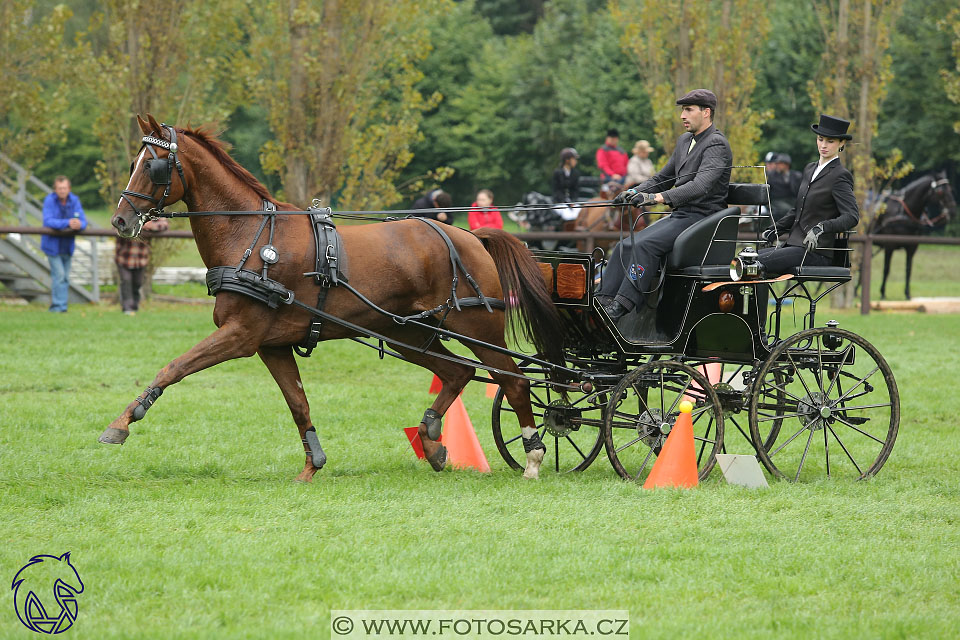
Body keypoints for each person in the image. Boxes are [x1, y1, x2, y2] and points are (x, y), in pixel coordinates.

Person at [598, 89, 733, 320]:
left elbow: (700, 186)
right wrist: (632, 192)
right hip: (681, 217)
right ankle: (602, 301)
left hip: (703, 218)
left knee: (645, 245)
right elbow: (663, 178)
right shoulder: (684, 141)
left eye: (689, 110)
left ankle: (622, 306)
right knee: (624, 246)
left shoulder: (716, 145)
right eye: (682, 110)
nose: (682, 115)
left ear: (707, 112)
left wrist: (656, 199)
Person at [758, 115, 859, 274]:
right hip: (794, 246)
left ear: (842, 143)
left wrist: (822, 228)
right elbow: (797, 211)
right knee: (745, 259)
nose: (823, 145)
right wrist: (775, 230)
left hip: (816, 252)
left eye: (830, 141)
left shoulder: (840, 175)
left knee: (753, 264)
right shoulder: (809, 169)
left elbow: (852, 216)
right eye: (820, 139)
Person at [41, 176, 87, 312]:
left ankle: (61, 306)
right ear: (55, 189)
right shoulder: (49, 200)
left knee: (65, 277)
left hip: (67, 245)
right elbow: (47, 221)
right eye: (59, 188)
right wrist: (67, 223)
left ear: (69, 189)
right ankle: (58, 306)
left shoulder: (75, 200)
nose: (62, 190)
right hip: (52, 245)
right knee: (59, 275)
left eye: (65, 188)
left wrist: (79, 224)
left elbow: (83, 221)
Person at [114, 218, 170, 315]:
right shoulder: (127, 212)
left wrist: (151, 226)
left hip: (141, 258)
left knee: (138, 282)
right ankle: (127, 308)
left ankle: (135, 306)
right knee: (126, 280)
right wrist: (139, 226)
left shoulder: (149, 212)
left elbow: (164, 224)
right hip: (124, 257)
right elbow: (115, 225)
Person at [764, 151, 803, 221]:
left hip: (791, 199)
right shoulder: (771, 176)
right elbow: (767, 192)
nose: (777, 165)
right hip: (777, 200)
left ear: (786, 165)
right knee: (788, 209)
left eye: (779, 164)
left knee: (801, 208)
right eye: (777, 163)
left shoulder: (796, 176)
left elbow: (800, 190)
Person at [552, 147, 581, 222]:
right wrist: (566, 202)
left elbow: (575, 190)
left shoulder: (575, 173)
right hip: (560, 202)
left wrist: (573, 201)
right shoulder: (557, 173)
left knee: (580, 213)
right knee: (568, 215)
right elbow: (557, 190)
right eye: (574, 159)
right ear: (567, 160)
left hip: (572, 202)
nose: (576, 161)